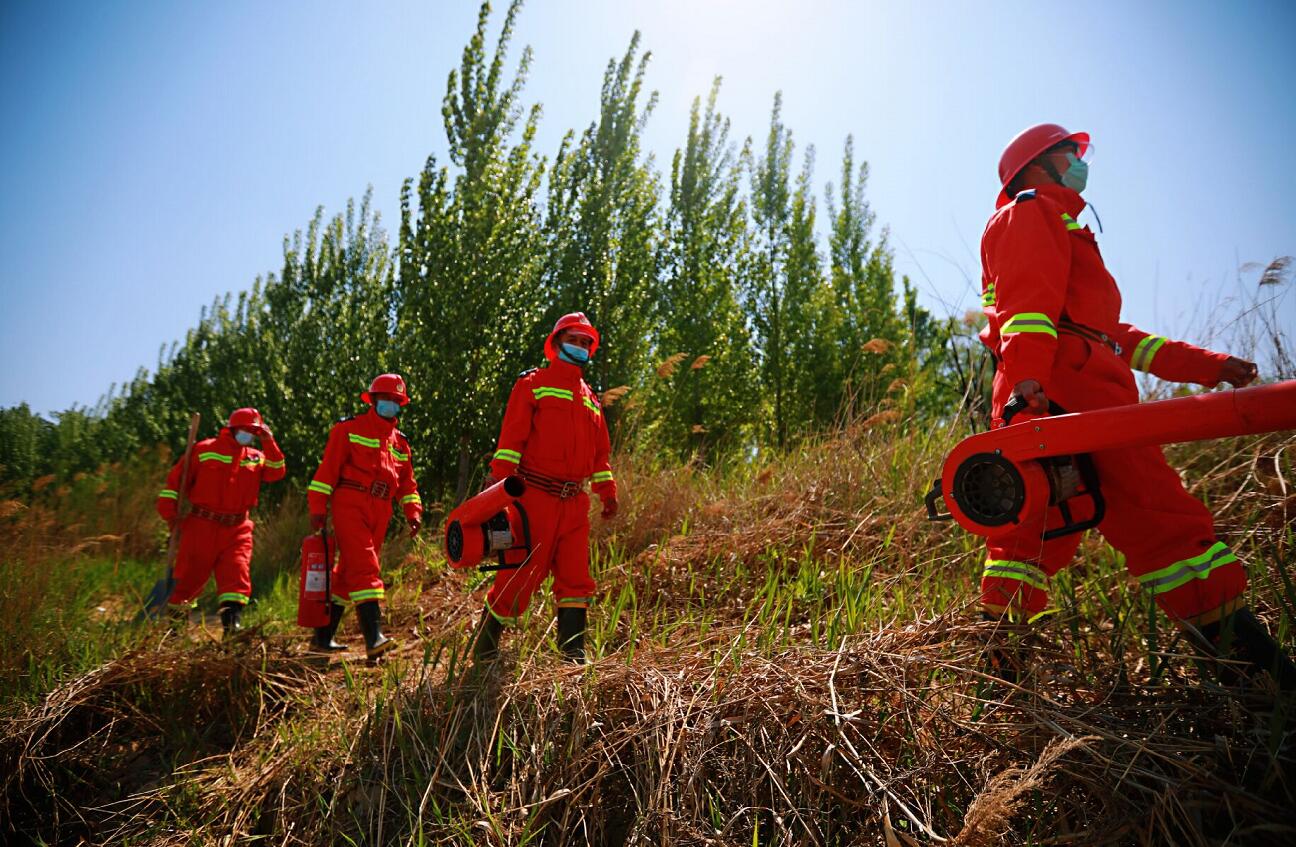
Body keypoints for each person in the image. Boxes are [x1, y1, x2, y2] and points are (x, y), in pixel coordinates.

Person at [978, 123, 1295, 690]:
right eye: (1070, 153)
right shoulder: (1029, 213)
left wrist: (1208, 365)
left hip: (1088, 390)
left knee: (1121, 524)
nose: (1081, 161)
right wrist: (1027, 388)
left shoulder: (1065, 226)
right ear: (1034, 166)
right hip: (1053, 392)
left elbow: (1117, 335)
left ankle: (1243, 671)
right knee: (1037, 534)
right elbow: (1026, 311)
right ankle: (1001, 681)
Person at [470, 312, 619, 665]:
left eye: (586, 342)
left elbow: (600, 456)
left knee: (576, 577)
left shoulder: (591, 400)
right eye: (574, 339)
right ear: (555, 344)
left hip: (574, 503)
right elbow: (510, 442)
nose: (580, 347)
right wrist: (496, 489)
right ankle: (486, 645)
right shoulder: (532, 384)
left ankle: (572, 654)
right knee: (520, 574)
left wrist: (607, 492)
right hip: (533, 498)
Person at [306, 374, 422, 660]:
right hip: (350, 503)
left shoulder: (401, 444)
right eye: (385, 400)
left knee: (348, 575)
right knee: (366, 565)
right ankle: (374, 639)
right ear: (372, 400)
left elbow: (408, 485)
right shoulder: (348, 429)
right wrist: (318, 507)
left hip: (381, 509)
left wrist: (413, 512)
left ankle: (322, 639)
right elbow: (327, 472)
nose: (390, 405)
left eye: (396, 401)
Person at [156, 408, 286, 637]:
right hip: (201, 525)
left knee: (237, 574)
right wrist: (171, 517)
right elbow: (175, 483)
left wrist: (269, 440)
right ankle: (174, 634)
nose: (249, 434)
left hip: (238, 528)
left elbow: (277, 472)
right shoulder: (204, 450)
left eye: (253, 431)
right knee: (188, 580)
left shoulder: (256, 456)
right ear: (233, 428)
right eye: (246, 430)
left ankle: (232, 631)